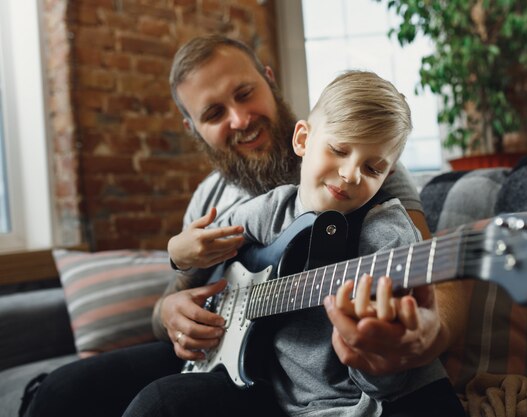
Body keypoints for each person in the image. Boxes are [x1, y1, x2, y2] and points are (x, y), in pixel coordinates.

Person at [22, 34, 467, 417]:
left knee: (161, 404)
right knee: (61, 392)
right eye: (213, 114)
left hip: (281, 374)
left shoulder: (364, 168)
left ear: (270, 80)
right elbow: (173, 296)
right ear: (193, 128)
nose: (238, 119)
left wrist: (425, 336)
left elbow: (426, 269)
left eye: (244, 93)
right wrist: (172, 308)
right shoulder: (210, 197)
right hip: (216, 348)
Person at [133, 69, 464, 416]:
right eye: (338, 150)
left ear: (388, 177)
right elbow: (216, 235)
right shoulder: (272, 207)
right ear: (303, 140)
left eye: (372, 168)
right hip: (270, 389)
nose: (351, 174)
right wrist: (179, 252)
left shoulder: (389, 237)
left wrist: (378, 354)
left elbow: (389, 380)